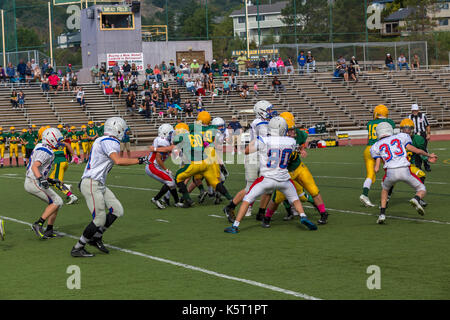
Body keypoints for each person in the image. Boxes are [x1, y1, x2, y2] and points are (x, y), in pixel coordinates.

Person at [70, 117, 149, 257]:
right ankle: (78, 247)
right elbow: (118, 161)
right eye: (123, 130)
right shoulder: (109, 141)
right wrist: (140, 160)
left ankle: (96, 237)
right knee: (99, 219)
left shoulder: (101, 140)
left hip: (97, 183)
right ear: (117, 129)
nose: (124, 133)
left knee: (117, 210)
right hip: (92, 183)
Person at [224, 116, 317, 234]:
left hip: (266, 179)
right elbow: (295, 149)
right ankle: (303, 216)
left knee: (247, 199)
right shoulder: (291, 141)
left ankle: (235, 225)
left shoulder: (263, 140)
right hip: (284, 179)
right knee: (295, 199)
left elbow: (247, 151)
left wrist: (255, 139)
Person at [371, 122, 437, 224]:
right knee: (421, 189)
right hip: (405, 170)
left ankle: (382, 214)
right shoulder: (401, 137)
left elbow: (376, 168)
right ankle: (416, 198)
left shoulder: (375, 146)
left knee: (385, 190)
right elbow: (416, 150)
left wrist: (375, 170)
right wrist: (429, 155)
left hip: (390, 173)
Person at [223, 101, 277, 221]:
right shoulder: (259, 122)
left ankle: (261, 213)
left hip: (263, 156)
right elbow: (267, 138)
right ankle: (230, 207)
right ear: (261, 112)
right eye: (268, 110)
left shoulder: (266, 122)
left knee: (269, 187)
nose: (270, 112)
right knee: (250, 187)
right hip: (254, 156)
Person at [26, 128, 65, 239]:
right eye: (57, 140)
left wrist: (49, 180)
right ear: (51, 139)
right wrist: (41, 179)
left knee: (55, 203)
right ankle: (38, 224)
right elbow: (35, 166)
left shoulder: (42, 146)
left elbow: (40, 168)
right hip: (33, 181)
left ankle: (49, 230)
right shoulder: (45, 150)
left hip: (35, 180)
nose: (59, 142)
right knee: (57, 201)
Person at [360, 105, 396, 208]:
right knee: (391, 170)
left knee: (370, 175)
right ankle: (387, 192)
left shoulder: (370, 123)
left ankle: (365, 194)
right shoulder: (389, 122)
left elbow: (369, 137)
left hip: (368, 149)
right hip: (381, 148)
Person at [146, 124, 183, 209]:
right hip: (153, 166)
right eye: (170, 133)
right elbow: (158, 158)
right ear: (165, 133)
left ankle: (174, 201)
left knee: (171, 181)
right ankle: (156, 199)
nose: (172, 135)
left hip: (154, 166)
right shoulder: (162, 141)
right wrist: (166, 169)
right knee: (170, 182)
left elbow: (169, 150)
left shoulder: (164, 141)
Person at [409, 104, 431, 171]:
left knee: (424, 149)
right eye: (413, 110)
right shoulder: (409, 117)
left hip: (422, 134)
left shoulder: (423, 116)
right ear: (412, 110)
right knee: (415, 151)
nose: (414, 111)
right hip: (414, 135)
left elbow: (427, 125)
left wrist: (428, 134)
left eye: (416, 110)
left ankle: (426, 165)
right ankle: (418, 166)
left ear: (418, 110)